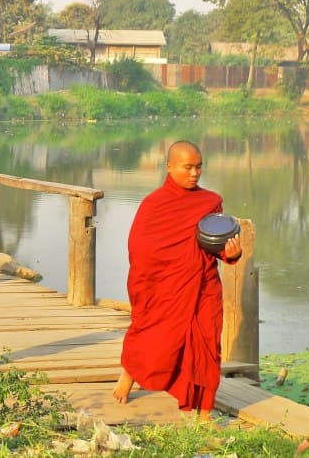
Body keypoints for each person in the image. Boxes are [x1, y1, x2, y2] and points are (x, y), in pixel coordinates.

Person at [112, 140, 242, 421]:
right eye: (188, 167)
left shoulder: (210, 201)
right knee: (152, 335)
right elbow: (140, 248)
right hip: (164, 285)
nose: (195, 173)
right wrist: (159, 277)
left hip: (204, 284)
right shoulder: (154, 204)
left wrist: (232, 254)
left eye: (199, 167)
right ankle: (131, 371)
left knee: (207, 343)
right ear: (169, 167)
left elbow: (214, 243)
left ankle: (204, 411)